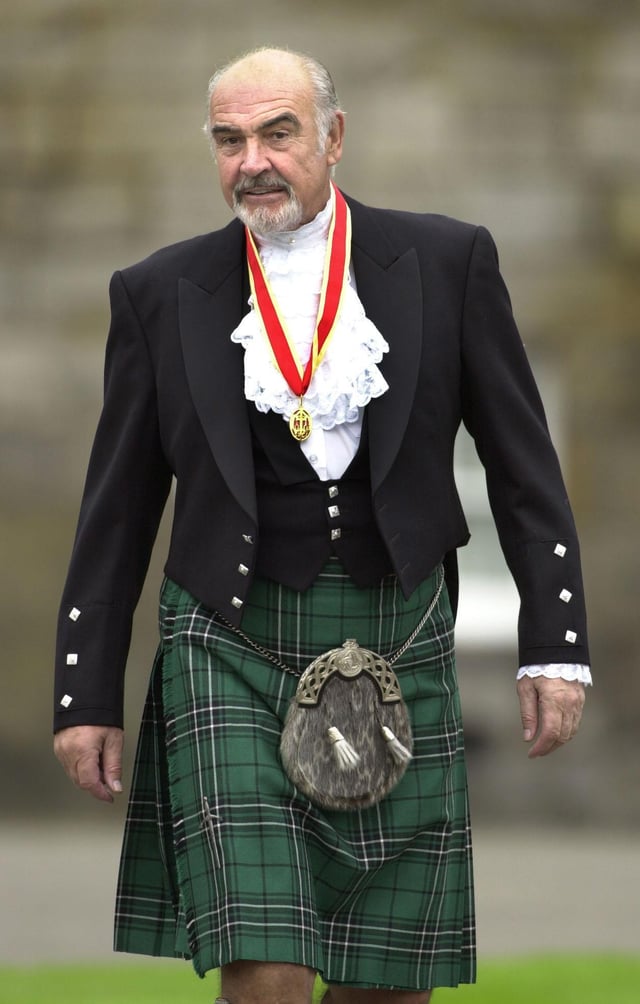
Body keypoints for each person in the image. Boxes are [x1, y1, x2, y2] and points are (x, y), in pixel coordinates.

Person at [53, 47, 591, 1004]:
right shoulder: (156, 292)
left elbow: (524, 468)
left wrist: (555, 645)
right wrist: (84, 691)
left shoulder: (445, 261)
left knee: (389, 980)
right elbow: (118, 510)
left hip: (402, 635)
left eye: (277, 132)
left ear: (334, 138)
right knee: (265, 962)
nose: (252, 161)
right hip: (225, 644)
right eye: (229, 140)